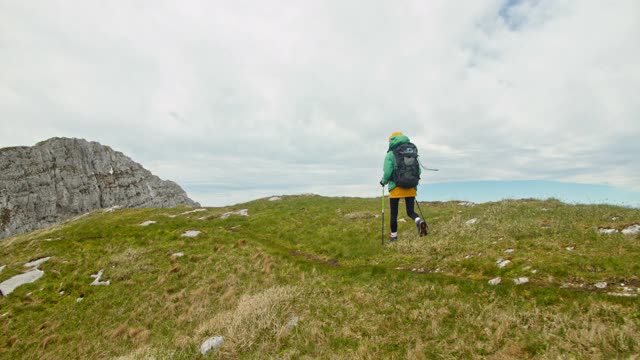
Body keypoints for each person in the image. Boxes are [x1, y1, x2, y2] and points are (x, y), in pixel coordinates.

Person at [380, 131, 426, 242]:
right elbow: (418, 170)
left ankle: (394, 237)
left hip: (396, 187)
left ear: (391, 140)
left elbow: (387, 171)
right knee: (410, 212)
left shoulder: (391, 154)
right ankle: (419, 221)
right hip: (411, 186)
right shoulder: (411, 151)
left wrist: (383, 181)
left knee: (394, 213)